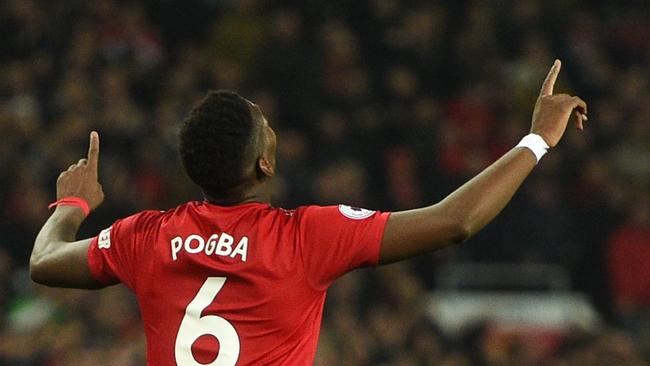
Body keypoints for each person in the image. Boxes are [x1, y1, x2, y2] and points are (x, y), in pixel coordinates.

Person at [30, 60, 587, 365]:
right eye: (268, 130)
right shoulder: (304, 238)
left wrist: (73, 204)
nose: (275, 133)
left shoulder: (145, 237)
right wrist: (536, 140)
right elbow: (452, 222)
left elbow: (45, 260)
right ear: (265, 165)